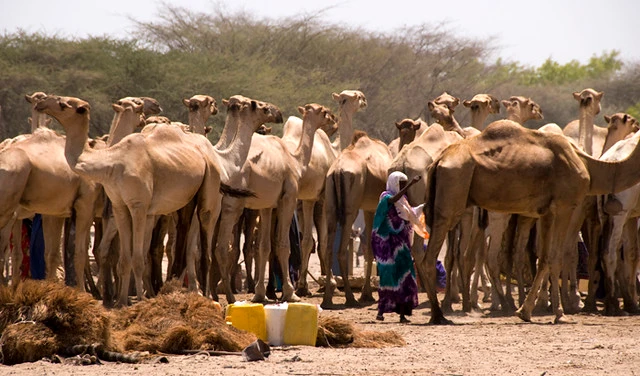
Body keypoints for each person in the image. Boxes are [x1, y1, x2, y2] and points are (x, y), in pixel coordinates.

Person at [372, 171, 423, 323]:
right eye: (401, 184)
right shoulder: (386, 196)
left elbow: (409, 215)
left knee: (405, 276)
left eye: (404, 184)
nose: (403, 187)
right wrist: (411, 184)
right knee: (388, 276)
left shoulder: (404, 200)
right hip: (387, 245)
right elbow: (392, 200)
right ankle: (381, 311)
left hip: (402, 245)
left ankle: (402, 314)